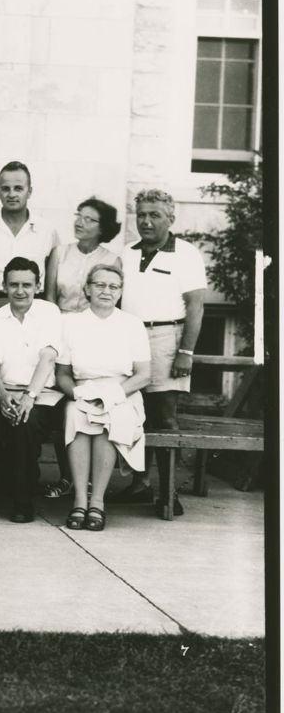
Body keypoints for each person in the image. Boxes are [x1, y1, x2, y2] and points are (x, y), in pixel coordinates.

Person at [112, 189, 207, 516]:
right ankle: (140, 485)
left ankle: (168, 493)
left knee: (164, 418)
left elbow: (196, 306)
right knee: (134, 413)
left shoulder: (186, 253)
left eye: (154, 215)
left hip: (168, 337)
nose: (147, 221)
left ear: (170, 218)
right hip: (130, 339)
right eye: (142, 215)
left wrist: (186, 351)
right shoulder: (127, 252)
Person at [0, 258, 63, 523]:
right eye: (14, 285)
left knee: (26, 422)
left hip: (42, 395)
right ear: (4, 286)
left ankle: (23, 498)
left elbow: (47, 358)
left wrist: (29, 396)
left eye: (27, 285)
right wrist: (3, 396)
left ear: (38, 286)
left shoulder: (49, 312)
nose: (20, 291)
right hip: (3, 391)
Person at [56, 264, 151, 531]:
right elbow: (62, 373)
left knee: (111, 417)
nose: (106, 291)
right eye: (99, 284)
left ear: (120, 292)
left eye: (113, 286)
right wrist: (76, 393)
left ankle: (96, 502)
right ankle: (78, 501)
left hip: (123, 393)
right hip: (83, 392)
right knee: (75, 414)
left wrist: (113, 395)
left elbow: (144, 375)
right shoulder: (71, 323)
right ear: (87, 288)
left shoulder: (132, 324)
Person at [0, 161, 58, 314]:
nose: (12, 194)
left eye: (18, 188)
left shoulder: (47, 231)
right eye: (6, 189)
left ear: (30, 191)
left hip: (34, 307)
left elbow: (51, 283)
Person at [44, 197, 122, 313]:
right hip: (60, 319)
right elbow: (50, 297)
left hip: (93, 323)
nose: (79, 223)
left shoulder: (112, 260)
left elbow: (111, 301)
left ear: (102, 228)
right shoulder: (59, 253)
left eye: (88, 219)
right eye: (78, 216)